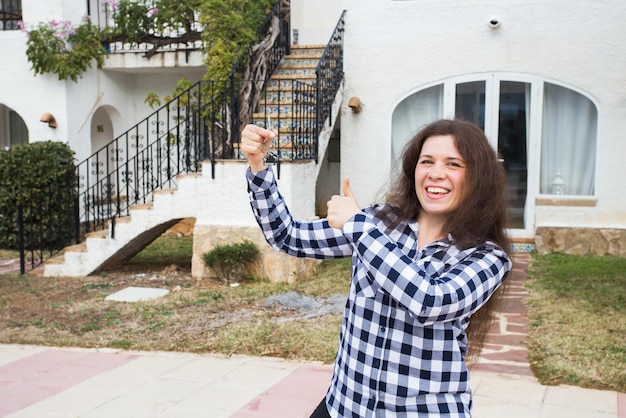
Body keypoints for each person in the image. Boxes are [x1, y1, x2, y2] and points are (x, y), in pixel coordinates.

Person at [240, 118, 512, 417]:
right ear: (413, 170)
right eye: (427, 161)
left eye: (453, 165)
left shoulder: (487, 256)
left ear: (477, 178)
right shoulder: (380, 223)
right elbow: (288, 236)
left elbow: (429, 301)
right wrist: (258, 166)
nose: (436, 174)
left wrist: (358, 226)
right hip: (345, 405)